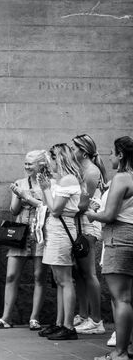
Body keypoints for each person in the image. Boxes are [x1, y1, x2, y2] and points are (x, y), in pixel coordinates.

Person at [0, 150, 48, 330]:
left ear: (41, 165)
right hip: (20, 231)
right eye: (25, 163)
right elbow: (14, 211)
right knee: (11, 275)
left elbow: (48, 207)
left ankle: (34, 318)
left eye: (30, 164)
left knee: (39, 276)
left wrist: (30, 197)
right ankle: (5, 318)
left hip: (40, 232)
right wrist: (18, 194)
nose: (27, 167)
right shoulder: (20, 183)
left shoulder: (48, 184)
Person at [87, 136, 133, 360]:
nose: (110, 157)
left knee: (121, 299)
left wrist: (91, 214)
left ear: (122, 155)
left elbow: (109, 216)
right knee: (129, 298)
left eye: (113, 153)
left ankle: (121, 353)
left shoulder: (122, 178)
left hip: (120, 237)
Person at [37, 143, 83, 341]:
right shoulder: (62, 180)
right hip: (55, 231)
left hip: (62, 232)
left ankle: (68, 326)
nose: (50, 162)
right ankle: (59, 322)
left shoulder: (69, 179)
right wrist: (47, 187)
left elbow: (55, 209)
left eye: (52, 158)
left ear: (60, 158)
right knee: (59, 281)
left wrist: (46, 189)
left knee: (65, 280)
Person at [70, 133, 107, 335]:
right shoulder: (81, 169)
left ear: (83, 151)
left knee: (89, 273)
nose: (71, 151)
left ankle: (97, 320)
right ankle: (84, 316)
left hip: (87, 225)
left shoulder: (91, 172)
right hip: (79, 223)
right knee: (81, 274)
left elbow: (83, 204)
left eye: (74, 148)